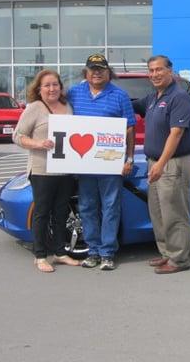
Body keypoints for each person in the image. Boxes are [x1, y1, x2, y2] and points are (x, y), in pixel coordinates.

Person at [67, 54, 135, 271]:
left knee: (110, 207)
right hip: (83, 163)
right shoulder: (73, 93)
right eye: (92, 69)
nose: (96, 73)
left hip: (110, 164)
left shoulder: (120, 96)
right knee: (87, 207)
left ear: (108, 72)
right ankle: (93, 250)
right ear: (85, 72)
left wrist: (129, 158)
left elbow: (129, 129)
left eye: (101, 69)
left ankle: (107, 253)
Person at [133, 55, 190, 274]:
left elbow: (176, 134)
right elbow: (130, 104)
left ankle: (179, 260)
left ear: (170, 71)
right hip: (156, 163)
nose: (154, 74)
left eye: (159, 69)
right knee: (158, 213)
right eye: (151, 70)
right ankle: (167, 253)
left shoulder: (179, 97)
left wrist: (160, 164)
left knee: (175, 214)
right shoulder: (152, 97)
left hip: (173, 164)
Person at [13, 69, 80, 273]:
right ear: (39, 89)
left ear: (60, 87)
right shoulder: (35, 108)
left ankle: (60, 252)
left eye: (55, 84)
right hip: (42, 170)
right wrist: (38, 143)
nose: (52, 89)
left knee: (61, 212)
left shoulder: (67, 106)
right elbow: (17, 136)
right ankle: (40, 255)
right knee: (42, 212)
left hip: (64, 170)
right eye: (47, 85)